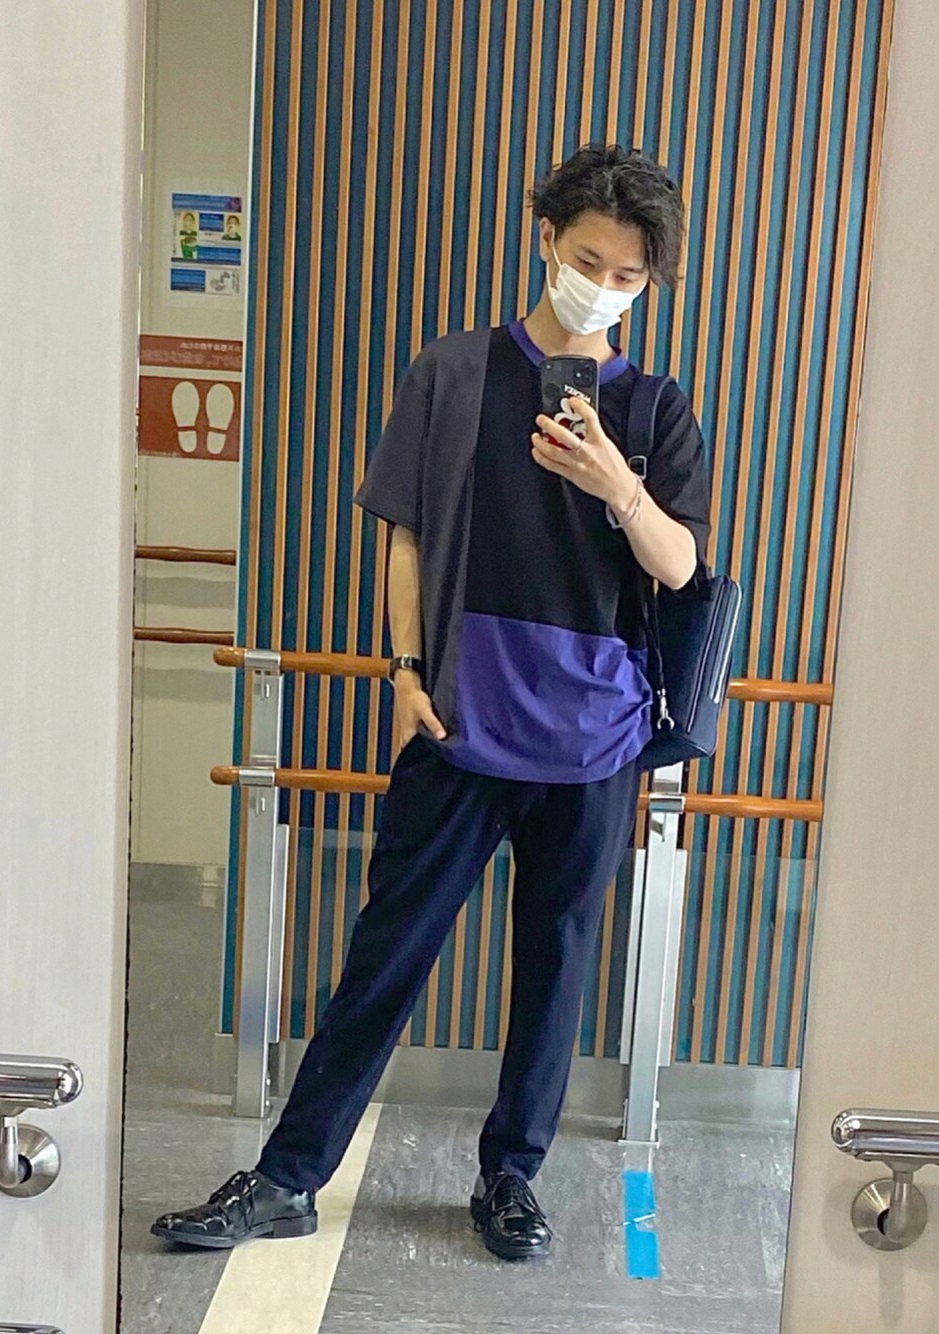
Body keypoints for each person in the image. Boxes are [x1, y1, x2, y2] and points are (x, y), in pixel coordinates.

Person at [152, 143, 710, 1261]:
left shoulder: (655, 409)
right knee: (384, 957)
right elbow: (404, 532)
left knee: (554, 969)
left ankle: (511, 1177)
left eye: (627, 276)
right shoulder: (453, 372)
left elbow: (681, 565)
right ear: (545, 239)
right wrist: (404, 673)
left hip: (593, 742)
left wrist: (617, 484)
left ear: (649, 283)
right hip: (458, 720)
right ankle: (287, 1177)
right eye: (587, 260)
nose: (602, 287)